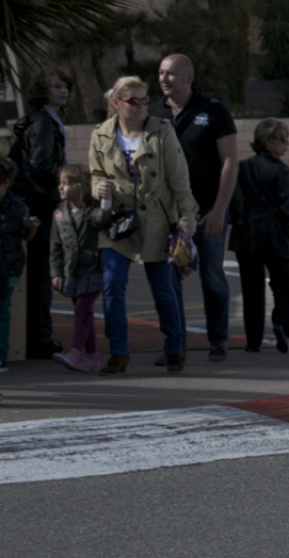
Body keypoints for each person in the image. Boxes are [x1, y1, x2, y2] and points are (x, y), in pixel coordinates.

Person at [90, 76, 197, 375]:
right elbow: (95, 173)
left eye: (143, 100)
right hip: (118, 222)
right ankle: (118, 352)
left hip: (156, 221)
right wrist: (98, 187)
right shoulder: (101, 134)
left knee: (162, 289)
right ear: (116, 103)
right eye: (132, 100)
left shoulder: (161, 132)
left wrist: (186, 221)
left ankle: (175, 348)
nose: (140, 106)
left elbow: (179, 180)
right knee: (112, 286)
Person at [148, 54, 237, 362]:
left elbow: (230, 161)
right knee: (168, 279)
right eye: (160, 73)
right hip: (167, 214)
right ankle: (176, 345)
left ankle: (218, 341)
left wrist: (220, 209)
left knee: (212, 276)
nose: (163, 79)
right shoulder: (152, 113)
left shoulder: (213, 111)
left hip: (206, 211)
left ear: (188, 77)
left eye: (171, 74)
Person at [229, 120, 289, 354]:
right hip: (275, 237)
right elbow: (288, 209)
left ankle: (252, 340)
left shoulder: (242, 167)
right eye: (282, 138)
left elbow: (234, 202)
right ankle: (282, 326)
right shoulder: (280, 170)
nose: (286, 144)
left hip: (245, 237)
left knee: (251, 290)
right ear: (267, 142)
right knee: (283, 286)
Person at [9, 72, 69, 359]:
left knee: (32, 275)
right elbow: (41, 163)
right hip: (37, 202)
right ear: (42, 91)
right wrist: (69, 178)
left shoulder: (40, 121)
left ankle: (33, 337)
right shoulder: (44, 123)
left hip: (30, 200)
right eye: (56, 86)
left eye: (65, 85)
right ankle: (38, 340)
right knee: (39, 275)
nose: (64, 90)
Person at [49, 164, 108, 372]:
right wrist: (56, 273)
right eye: (60, 183)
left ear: (81, 186)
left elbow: (102, 219)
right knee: (85, 314)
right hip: (71, 271)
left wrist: (106, 202)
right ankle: (92, 356)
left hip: (92, 268)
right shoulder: (59, 214)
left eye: (66, 183)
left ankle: (75, 350)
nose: (61, 187)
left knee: (82, 309)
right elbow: (55, 247)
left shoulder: (90, 211)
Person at [0, 158, 38, 374]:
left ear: (6, 183)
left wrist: (31, 228)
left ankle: (1, 356)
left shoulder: (18, 207)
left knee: (2, 313)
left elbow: (27, 237)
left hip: (7, 267)